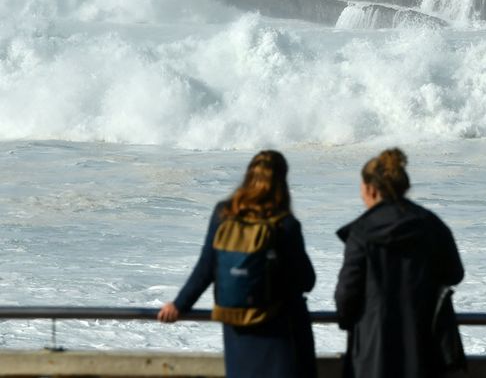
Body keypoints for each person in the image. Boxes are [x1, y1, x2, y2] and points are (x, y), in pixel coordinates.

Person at [157, 150, 317, 377]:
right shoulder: (285, 225)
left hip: (238, 332)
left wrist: (179, 305)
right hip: (281, 332)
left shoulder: (224, 214)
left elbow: (206, 267)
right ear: (282, 181)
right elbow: (307, 280)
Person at [335, 148, 465, 378]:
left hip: (373, 352)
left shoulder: (362, 232)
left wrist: (354, 323)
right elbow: (454, 274)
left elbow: (347, 294)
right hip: (425, 348)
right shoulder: (431, 224)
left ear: (370, 189)